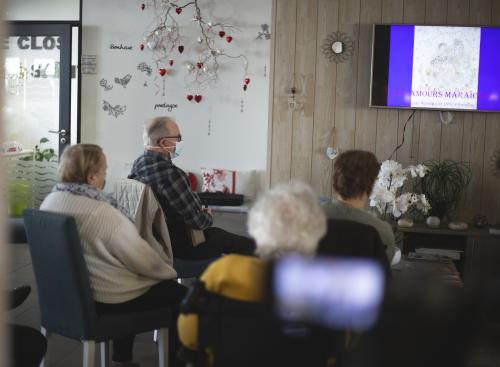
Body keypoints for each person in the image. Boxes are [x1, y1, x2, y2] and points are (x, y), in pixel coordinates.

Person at [40, 144, 186, 367]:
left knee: (128, 278)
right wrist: (170, 271)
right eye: (104, 171)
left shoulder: (50, 202)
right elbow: (147, 262)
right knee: (182, 296)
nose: (105, 177)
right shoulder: (102, 213)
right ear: (91, 176)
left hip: (63, 299)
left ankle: (123, 360)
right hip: (104, 299)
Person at [177, 181, 327, 353]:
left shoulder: (223, 271)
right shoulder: (321, 284)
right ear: (316, 232)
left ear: (256, 226)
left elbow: (188, 334)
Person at [129, 116, 255, 259]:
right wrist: (207, 215)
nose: (180, 141)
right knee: (228, 239)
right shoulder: (171, 175)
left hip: (150, 242)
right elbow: (199, 222)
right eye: (178, 137)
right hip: (177, 247)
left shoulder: (138, 164)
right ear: (164, 143)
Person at [323, 150, 396, 262]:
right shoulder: (381, 230)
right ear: (371, 183)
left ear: (335, 180)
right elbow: (383, 271)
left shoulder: (307, 220)